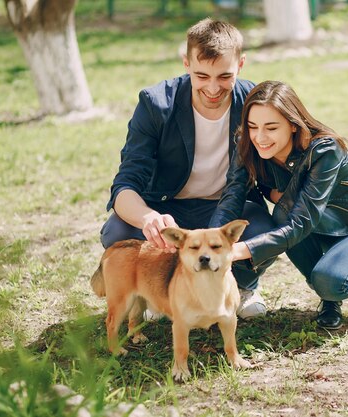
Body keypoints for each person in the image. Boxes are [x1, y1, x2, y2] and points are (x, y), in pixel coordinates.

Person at [100, 18, 275, 319]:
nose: (212, 87)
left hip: (229, 208)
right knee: (118, 231)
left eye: (224, 76)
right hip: (170, 209)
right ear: (186, 62)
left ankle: (243, 287)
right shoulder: (156, 104)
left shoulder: (254, 103)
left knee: (264, 230)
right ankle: (159, 292)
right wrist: (149, 218)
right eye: (201, 75)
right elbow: (127, 182)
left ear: (241, 64)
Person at [210, 80, 348, 329]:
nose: (259, 137)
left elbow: (300, 223)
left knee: (330, 281)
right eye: (252, 126)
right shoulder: (247, 143)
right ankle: (330, 300)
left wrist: (237, 250)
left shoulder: (325, 150)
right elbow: (233, 193)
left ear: (292, 125)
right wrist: (213, 238)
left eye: (271, 127)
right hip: (317, 223)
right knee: (283, 217)